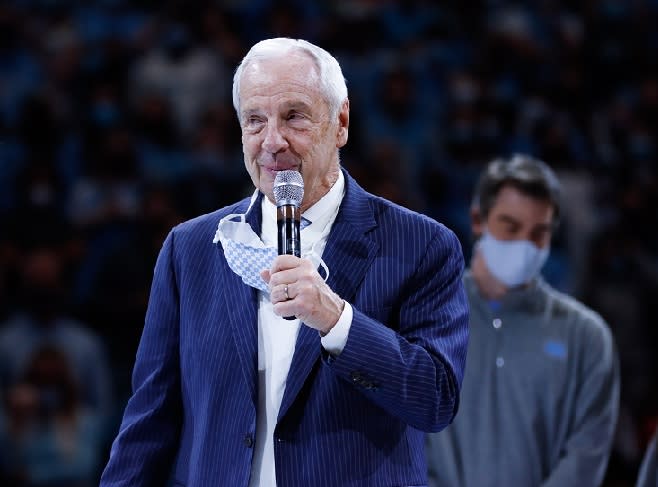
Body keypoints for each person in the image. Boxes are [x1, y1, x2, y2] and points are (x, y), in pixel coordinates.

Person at [100, 37, 469, 486]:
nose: (272, 142)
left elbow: (436, 400)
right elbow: (149, 419)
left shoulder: (422, 245)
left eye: (294, 116)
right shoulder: (191, 248)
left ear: (341, 122)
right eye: (255, 121)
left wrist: (336, 321)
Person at [426, 154, 620, 487]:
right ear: (478, 220)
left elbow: (586, 454)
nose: (524, 244)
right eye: (510, 227)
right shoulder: (427, 316)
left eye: (538, 233)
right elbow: (406, 436)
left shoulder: (586, 336)